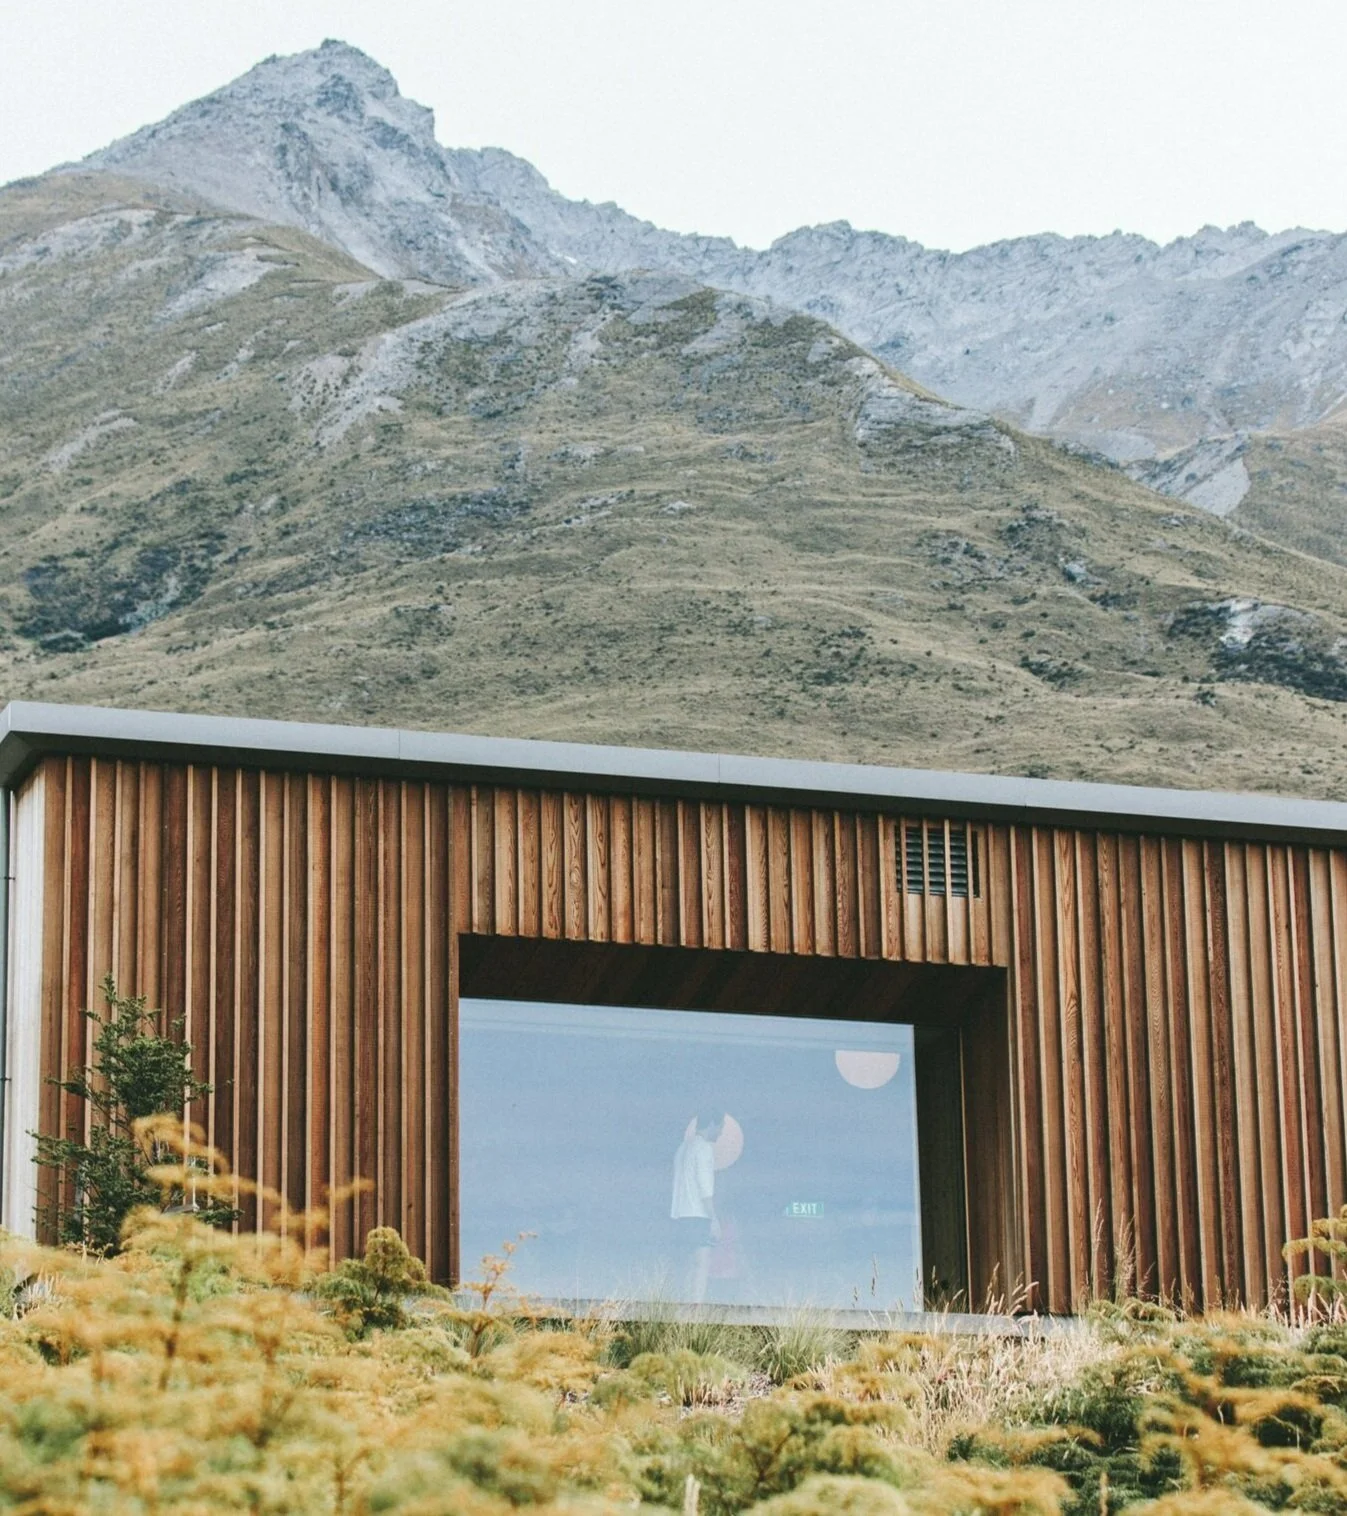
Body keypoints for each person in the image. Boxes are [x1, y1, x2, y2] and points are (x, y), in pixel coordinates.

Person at [670, 1111, 723, 1303]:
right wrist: (714, 1219)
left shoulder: (682, 1148)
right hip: (698, 1215)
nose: (721, 1132)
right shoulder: (704, 1149)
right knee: (701, 1264)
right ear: (711, 1124)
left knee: (685, 1265)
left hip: (680, 1214)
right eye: (720, 1126)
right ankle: (696, 1307)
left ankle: (682, 1304)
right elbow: (705, 1188)